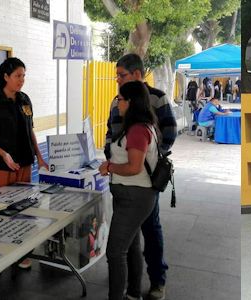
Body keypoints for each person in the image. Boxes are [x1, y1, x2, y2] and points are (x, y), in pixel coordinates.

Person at [105, 53, 177, 300]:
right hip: (127, 187)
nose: (117, 82)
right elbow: (110, 133)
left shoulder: (151, 107)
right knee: (130, 245)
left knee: (131, 243)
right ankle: (133, 291)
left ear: (137, 74)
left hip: (139, 188)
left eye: (121, 76)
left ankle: (157, 280)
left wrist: (150, 158)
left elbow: (168, 133)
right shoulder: (122, 107)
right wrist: (113, 155)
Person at [0, 57, 47, 269]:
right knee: (0, 210)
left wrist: (40, 156)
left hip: (24, 164)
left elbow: (30, 130)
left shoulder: (25, 99)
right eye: (18, 76)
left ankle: (21, 253)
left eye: (24, 76)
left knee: (22, 210)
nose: (21, 80)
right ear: (5, 77)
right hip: (0, 166)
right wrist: (4, 154)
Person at [99, 81, 160, 300]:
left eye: (120, 99)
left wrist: (109, 167)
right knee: (131, 247)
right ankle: (134, 293)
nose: (117, 103)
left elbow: (134, 167)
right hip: (132, 195)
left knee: (115, 252)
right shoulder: (137, 126)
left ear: (131, 102)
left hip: (134, 196)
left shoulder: (137, 130)